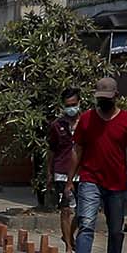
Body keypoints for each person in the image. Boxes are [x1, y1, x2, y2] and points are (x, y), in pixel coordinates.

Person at [65, 75, 127, 253]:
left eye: (108, 98)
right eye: (101, 98)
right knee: (87, 224)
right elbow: (77, 150)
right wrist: (70, 179)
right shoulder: (87, 120)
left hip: (116, 182)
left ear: (116, 96)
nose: (104, 102)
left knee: (116, 229)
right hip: (90, 178)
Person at [45, 87, 81, 238]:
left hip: (83, 173)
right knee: (65, 209)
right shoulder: (57, 125)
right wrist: (49, 173)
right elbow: (51, 150)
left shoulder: (87, 122)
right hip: (62, 172)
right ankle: (67, 244)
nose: (71, 108)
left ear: (79, 102)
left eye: (73, 104)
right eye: (67, 105)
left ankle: (70, 235)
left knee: (83, 212)